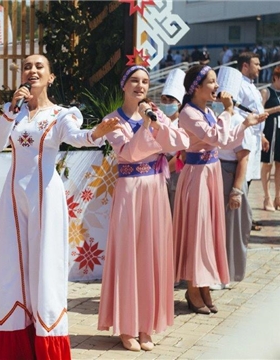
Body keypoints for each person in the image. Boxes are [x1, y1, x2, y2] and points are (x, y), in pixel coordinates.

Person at [0, 54, 121, 359]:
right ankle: (13, 346)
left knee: (45, 267)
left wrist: (97, 133)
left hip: (45, 195)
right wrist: (9, 112)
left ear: (51, 77)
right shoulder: (13, 113)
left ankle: (46, 346)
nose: (32, 71)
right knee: (10, 266)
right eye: (27, 67)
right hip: (13, 197)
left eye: (39, 66)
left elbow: (77, 137)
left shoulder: (61, 114)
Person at [97, 66, 189, 352]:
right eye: (134, 81)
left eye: (145, 81)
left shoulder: (156, 114)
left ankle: (147, 324)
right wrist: (149, 130)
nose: (140, 85)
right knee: (129, 255)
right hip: (130, 190)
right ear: (124, 85)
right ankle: (127, 326)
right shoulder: (112, 121)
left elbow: (181, 142)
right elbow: (129, 153)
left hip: (154, 189)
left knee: (152, 253)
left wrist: (156, 124)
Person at [173, 65, 267, 316]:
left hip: (211, 173)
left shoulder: (208, 111)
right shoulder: (188, 113)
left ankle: (203, 286)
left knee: (209, 232)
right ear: (197, 87)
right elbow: (215, 138)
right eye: (212, 82)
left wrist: (246, 123)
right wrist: (228, 111)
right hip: (197, 175)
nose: (217, 87)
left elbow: (224, 141)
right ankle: (194, 288)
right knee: (197, 231)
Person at [214, 66, 254, 287]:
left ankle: (227, 275)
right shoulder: (213, 116)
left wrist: (237, 190)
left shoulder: (239, 120)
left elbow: (243, 158)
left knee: (230, 228)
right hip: (214, 172)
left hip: (230, 174)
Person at [237, 52, 265, 230]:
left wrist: (262, 135)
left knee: (249, 180)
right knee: (242, 179)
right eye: (256, 64)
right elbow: (237, 111)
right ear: (245, 66)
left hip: (255, 137)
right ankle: (240, 217)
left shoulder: (252, 86)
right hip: (245, 136)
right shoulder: (239, 85)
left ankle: (245, 216)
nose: (260, 67)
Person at [158, 68, 186, 213]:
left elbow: (182, 153)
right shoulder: (156, 121)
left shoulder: (183, 123)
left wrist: (165, 171)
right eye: (164, 99)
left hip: (175, 173)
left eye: (171, 100)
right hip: (157, 173)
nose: (167, 103)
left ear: (179, 103)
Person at [260, 65, 280, 211]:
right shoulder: (266, 91)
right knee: (268, 164)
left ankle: (278, 197)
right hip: (270, 131)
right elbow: (260, 111)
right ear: (275, 78)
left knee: (279, 166)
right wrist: (276, 109)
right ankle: (267, 197)